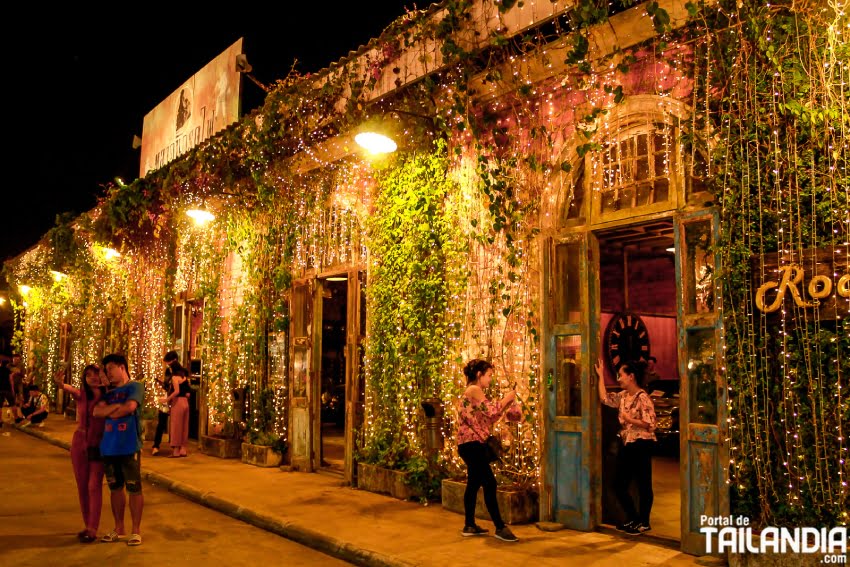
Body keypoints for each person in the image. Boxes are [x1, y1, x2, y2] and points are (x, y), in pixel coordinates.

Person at [456, 358, 518, 542]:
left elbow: (489, 418)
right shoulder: (474, 390)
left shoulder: (474, 392)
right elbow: (491, 411)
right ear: (479, 375)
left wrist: (507, 404)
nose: (490, 379)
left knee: (474, 484)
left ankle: (469, 525)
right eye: (489, 375)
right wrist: (508, 397)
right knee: (490, 483)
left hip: (469, 445)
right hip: (472, 445)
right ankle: (499, 527)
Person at [595, 358, 657, 535]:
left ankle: (644, 522)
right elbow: (604, 398)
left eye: (621, 375)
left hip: (642, 443)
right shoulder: (622, 396)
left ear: (631, 376)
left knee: (644, 483)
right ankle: (633, 518)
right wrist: (600, 376)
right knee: (618, 484)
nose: (618, 379)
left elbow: (651, 423)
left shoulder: (642, 397)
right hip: (627, 442)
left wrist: (630, 420)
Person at [93, 353, 144, 547]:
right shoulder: (108, 393)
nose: (109, 374)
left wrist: (112, 411)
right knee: (115, 488)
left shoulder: (135, 386)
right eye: (106, 371)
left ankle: (136, 530)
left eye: (111, 369)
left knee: (134, 488)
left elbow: (130, 407)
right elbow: (97, 411)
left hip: (129, 445)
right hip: (108, 447)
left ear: (122, 367)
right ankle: (119, 528)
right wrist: (116, 410)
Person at [54, 364, 108, 542]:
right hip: (80, 442)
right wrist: (61, 384)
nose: (93, 378)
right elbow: (70, 389)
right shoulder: (82, 395)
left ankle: (93, 527)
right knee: (82, 486)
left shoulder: (109, 396)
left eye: (96, 374)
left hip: (99, 444)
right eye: (88, 375)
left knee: (94, 485)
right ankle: (88, 526)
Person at [160, 351, 190, 458]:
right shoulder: (185, 375)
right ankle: (183, 449)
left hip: (177, 402)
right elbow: (187, 392)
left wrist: (166, 399)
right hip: (185, 403)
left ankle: (176, 451)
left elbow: (176, 391)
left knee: (176, 426)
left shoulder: (174, 377)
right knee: (184, 426)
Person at [150, 367, 171, 456]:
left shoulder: (179, 375)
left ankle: (178, 447)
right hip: (166, 402)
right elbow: (167, 388)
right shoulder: (168, 375)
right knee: (161, 425)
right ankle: (156, 446)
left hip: (174, 402)